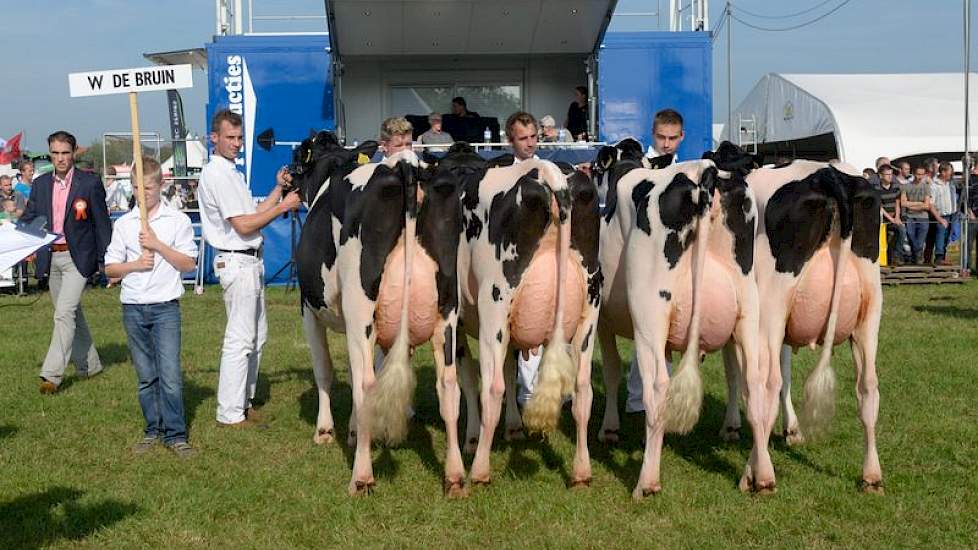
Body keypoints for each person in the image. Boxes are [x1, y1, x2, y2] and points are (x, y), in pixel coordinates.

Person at [197, 109, 302, 427]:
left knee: (257, 336)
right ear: (213, 138)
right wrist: (283, 206)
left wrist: (277, 191)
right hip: (236, 259)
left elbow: (253, 212)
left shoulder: (231, 172)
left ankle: (243, 402)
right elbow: (244, 225)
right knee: (240, 339)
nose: (237, 143)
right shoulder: (216, 174)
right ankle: (229, 412)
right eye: (230, 137)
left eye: (240, 137)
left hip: (248, 260)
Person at [104, 157, 199, 457]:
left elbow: (189, 263)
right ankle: (152, 428)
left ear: (161, 185)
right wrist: (134, 265)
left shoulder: (177, 221)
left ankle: (176, 433)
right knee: (146, 376)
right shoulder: (124, 224)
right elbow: (110, 269)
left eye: (147, 187)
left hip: (165, 308)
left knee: (169, 375)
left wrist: (158, 246)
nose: (141, 193)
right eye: (135, 187)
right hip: (133, 307)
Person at [21, 130, 112, 394]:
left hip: (78, 258)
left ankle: (51, 375)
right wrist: (20, 235)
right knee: (72, 314)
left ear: (74, 153)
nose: (60, 158)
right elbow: (29, 219)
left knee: (63, 314)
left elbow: (101, 224)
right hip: (52, 257)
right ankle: (90, 365)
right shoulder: (39, 185)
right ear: (50, 153)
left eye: (65, 153)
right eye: (55, 153)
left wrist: (106, 260)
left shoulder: (89, 183)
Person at [901, 165, 939, 264]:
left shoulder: (926, 187)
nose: (920, 177)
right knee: (911, 237)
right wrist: (919, 203)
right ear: (913, 174)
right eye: (918, 174)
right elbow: (903, 203)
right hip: (910, 217)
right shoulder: (906, 186)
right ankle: (916, 257)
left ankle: (917, 259)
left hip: (923, 217)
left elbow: (927, 206)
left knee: (920, 241)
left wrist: (911, 204)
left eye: (922, 174)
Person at [877, 164, 905, 266]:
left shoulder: (896, 187)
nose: (890, 176)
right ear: (880, 175)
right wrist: (890, 219)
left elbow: (897, 203)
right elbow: (880, 207)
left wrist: (896, 217)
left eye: (891, 174)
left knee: (902, 230)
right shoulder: (876, 189)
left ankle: (896, 256)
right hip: (882, 219)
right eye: (887, 174)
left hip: (895, 217)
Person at [929, 162, 955, 265]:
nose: (951, 174)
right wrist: (940, 219)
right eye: (949, 171)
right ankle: (939, 257)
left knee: (946, 237)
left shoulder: (950, 183)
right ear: (943, 172)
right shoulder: (934, 185)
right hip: (940, 215)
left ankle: (943, 256)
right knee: (940, 236)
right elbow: (931, 205)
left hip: (951, 215)